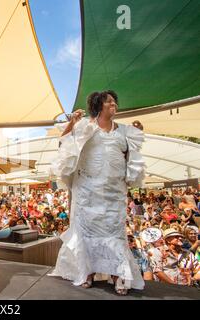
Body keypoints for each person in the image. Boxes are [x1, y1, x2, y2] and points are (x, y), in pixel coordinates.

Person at [51, 90, 146, 295]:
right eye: (109, 101)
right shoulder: (86, 126)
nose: (113, 104)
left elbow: (131, 158)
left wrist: (127, 177)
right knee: (86, 233)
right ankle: (87, 273)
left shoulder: (125, 132)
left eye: (114, 101)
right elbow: (63, 143)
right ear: (98, 105)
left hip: (113, 192)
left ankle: (117, 274)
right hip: (87, 192)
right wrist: (73, 123)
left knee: (115, 233)